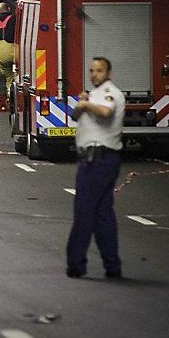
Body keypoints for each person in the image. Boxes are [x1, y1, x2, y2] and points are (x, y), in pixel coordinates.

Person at [66, 56, 126, 279]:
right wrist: (83, 103)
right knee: (103, 215)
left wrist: (86, 104)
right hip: (97, 160)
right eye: (91, 70)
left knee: (84, 212)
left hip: (97, 161)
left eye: (99, 71)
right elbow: (74, 115)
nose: (94, 74)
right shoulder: (94, 95)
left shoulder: (110, 93)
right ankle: (112, 266)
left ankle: (76, 264)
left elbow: (106, 112)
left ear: (108, 73)